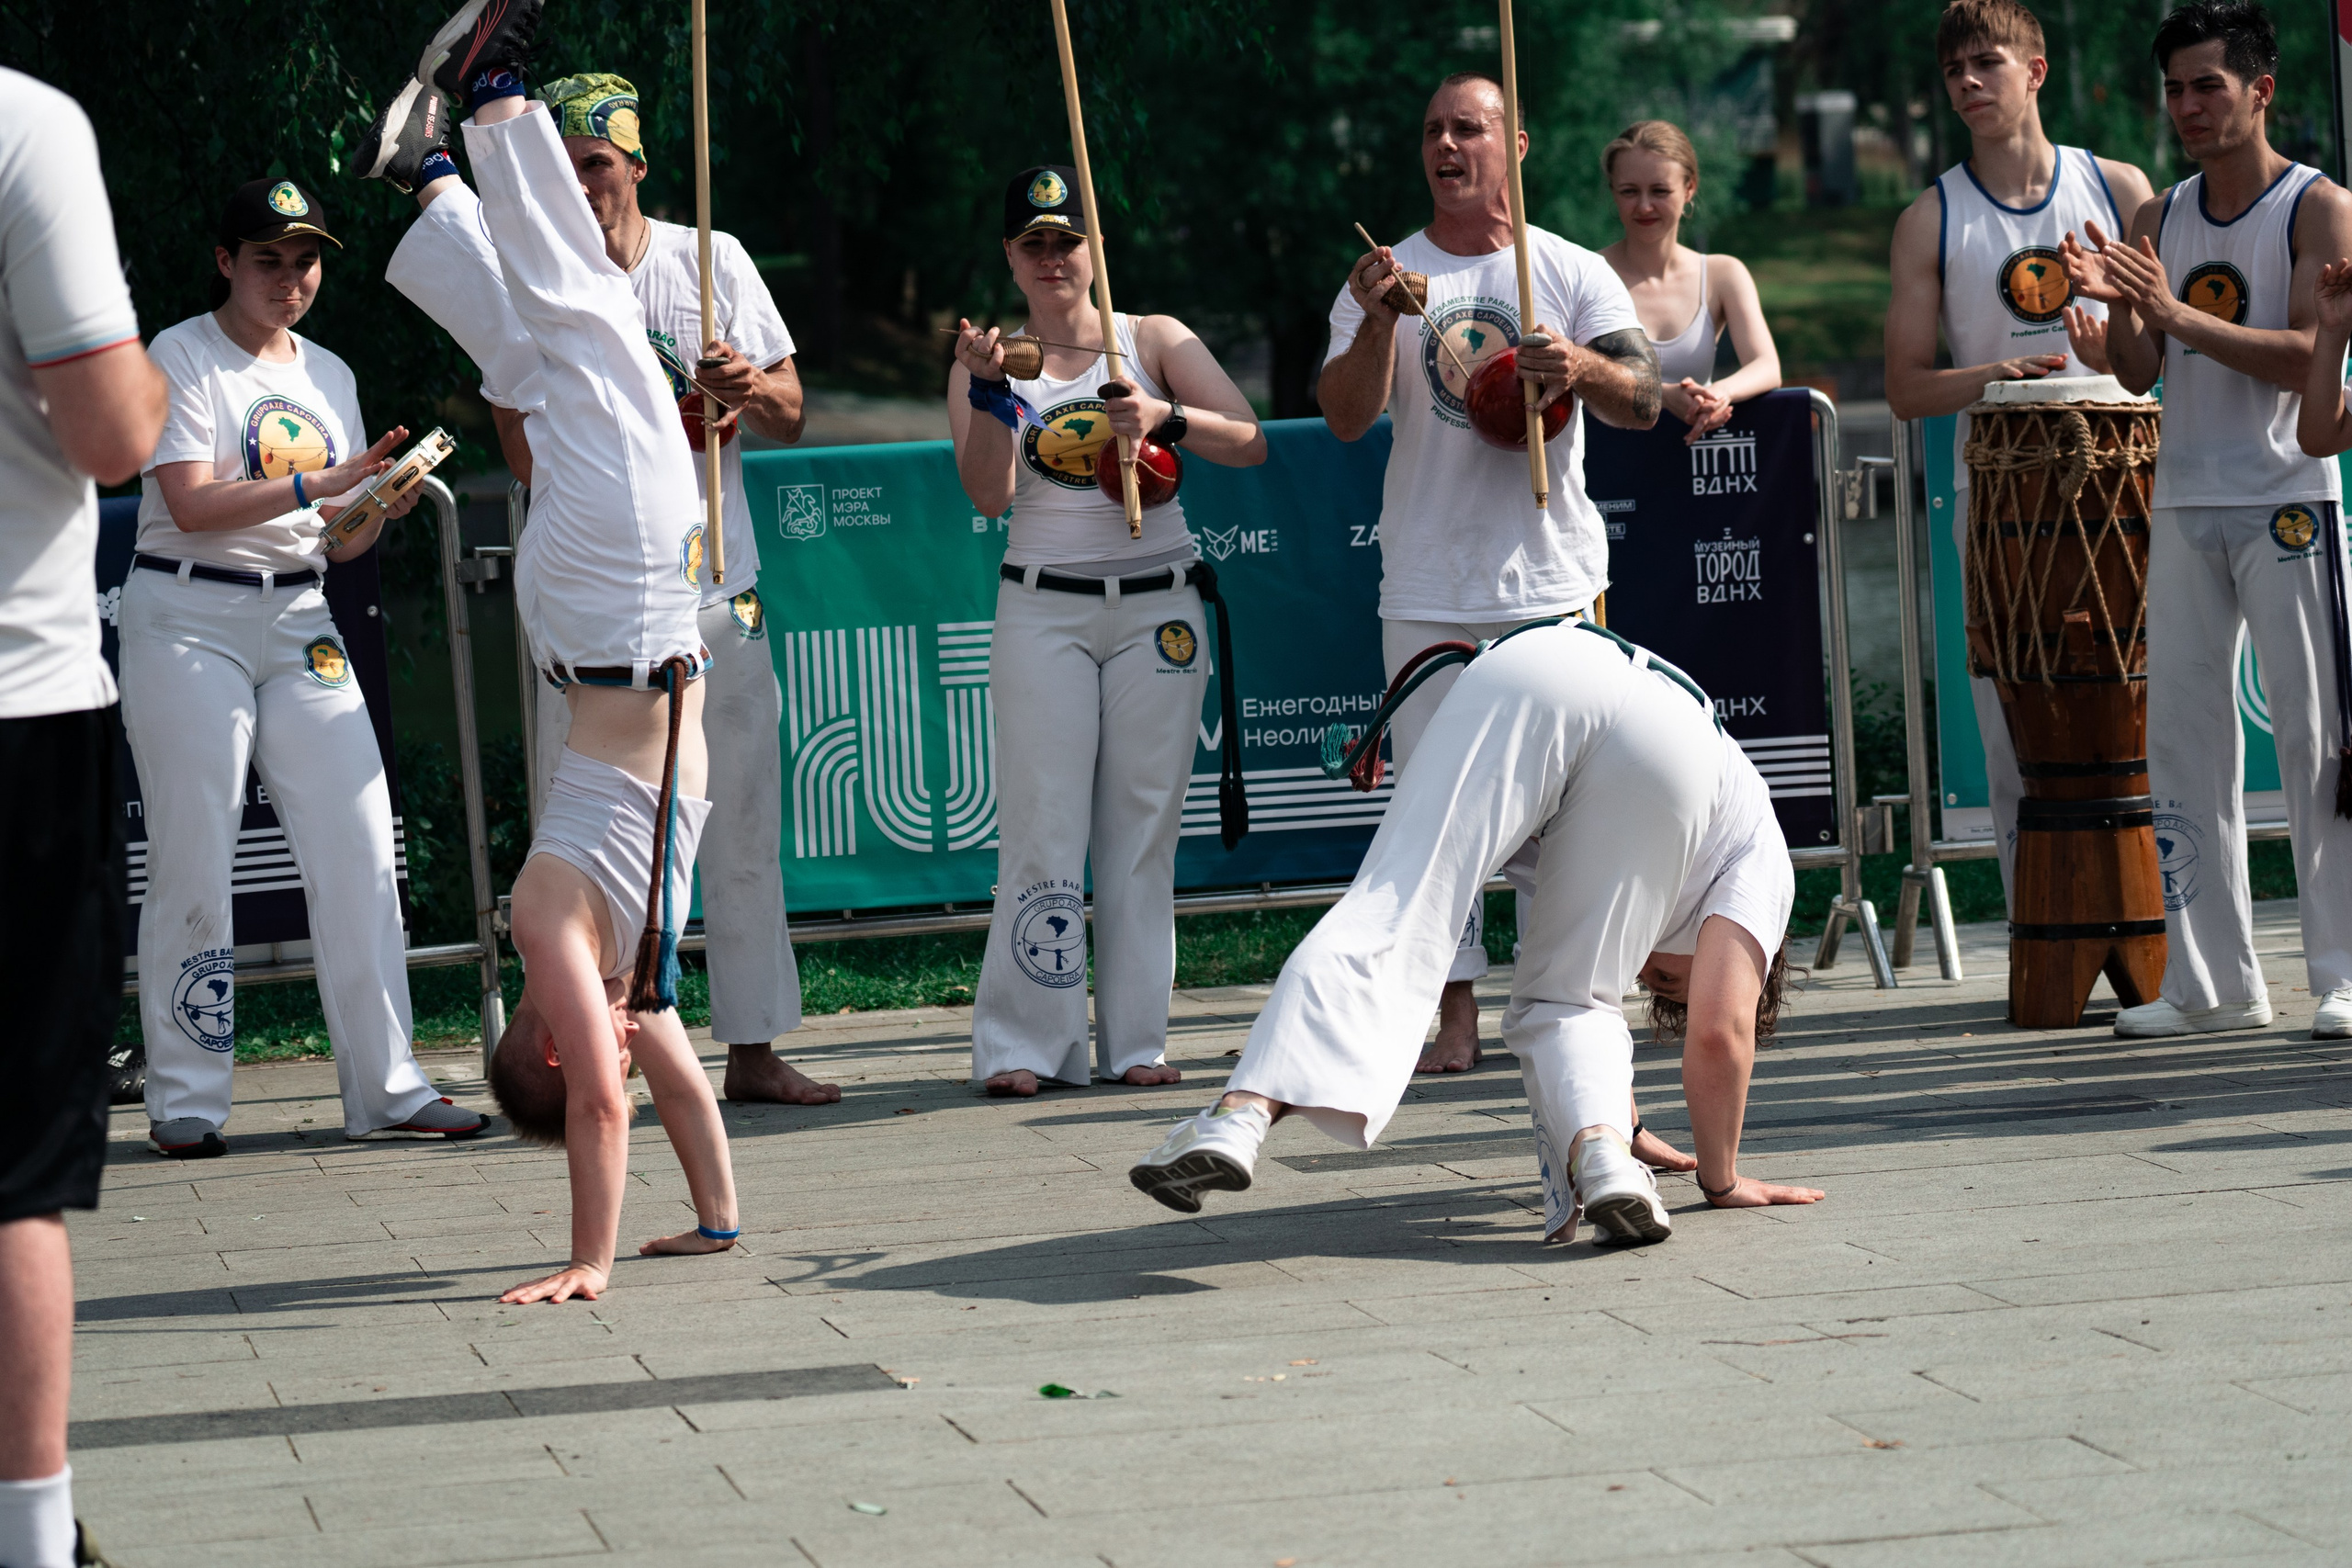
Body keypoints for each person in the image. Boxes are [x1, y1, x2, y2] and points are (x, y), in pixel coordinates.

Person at [358, 0, 745, 1300]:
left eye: (596, 1051)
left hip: (617, 616)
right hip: (620, 624)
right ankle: (428, 180)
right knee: (546, 352)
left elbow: (608, 1111)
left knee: (590, 325)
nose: (626, 1055)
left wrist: (589, 1258)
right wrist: (717, 1221)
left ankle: (499, 95)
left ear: (560, 1046)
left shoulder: (548, 926)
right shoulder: (635, 986)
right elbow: (671, 1087)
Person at [1127, 621, 1823, 1239]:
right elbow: (1719, 1029)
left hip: (1538, 670)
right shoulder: (1762, 858)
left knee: (1397, 910)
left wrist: (1628, 1121)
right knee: (1570, 996)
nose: (1648, 968)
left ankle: (1241, 1113)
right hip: (1664, 739)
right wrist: (1721, 1179)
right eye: (1670, 975)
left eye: (1657, 981)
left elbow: (1602, 998)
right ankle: (1601, 1151)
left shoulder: (1686, 864)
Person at [480, 72, 838, 1109]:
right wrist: (638, 440)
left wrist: (740, 393)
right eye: (564, 170)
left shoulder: (710, 259)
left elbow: (792, 411)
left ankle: (755, 1044)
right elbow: (520, 445)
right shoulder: (532, 275)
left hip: (718, 591)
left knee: (739, 823)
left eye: (596, 165)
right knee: (590, 846)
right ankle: (596, 1044)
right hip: (600, 610)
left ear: (636, 165)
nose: (583, 188)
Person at [123, 177, 486, 1157]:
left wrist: (377, 506)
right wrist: (323, 482)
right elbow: (192, 504)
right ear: (225, 263)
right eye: (268, 260)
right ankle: (187, 1100)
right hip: (186, 613)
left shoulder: (328, 370)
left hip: (298, 615)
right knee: (196, 856)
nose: (290, 280)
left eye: (306, 260)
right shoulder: (180, 353)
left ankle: (391, 1090)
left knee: (362, 845)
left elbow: (337, 543)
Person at [1319, 71, 1661, 1077]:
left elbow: (1642, 395)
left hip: (1551, 584)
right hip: (1427, 584)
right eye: (1433, 130)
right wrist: (1379, 320)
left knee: (1568, 807)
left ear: (1514, 145)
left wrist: (1581, 372)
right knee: (1432, 814)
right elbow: (1343, 416)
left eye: (1469, 128)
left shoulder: (1564, 269)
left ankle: (1566, 1005)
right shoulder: (1383, 276)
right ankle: (1453, 1018)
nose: (1447, 145)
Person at [2063, 1, 2352, 1040]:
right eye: (2174, 89)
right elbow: (2147, 373)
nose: (2186, 107)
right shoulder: (2156, 218)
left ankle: (2341, 970)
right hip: (2182, 497)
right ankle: (2213, 984)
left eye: (2207, 87)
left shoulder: (2318, 210)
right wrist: (2109, 333)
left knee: (2316, 744)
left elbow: (2309, 361)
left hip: (2289, 503)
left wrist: (2178, 314)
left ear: (2260, 90)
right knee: (2182, 744)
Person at [945, 165, 1267, 1097]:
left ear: (1093, 251)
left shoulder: (1150, 338)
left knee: (1140, 828)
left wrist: (1165, 413)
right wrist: (979, 392)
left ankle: (1137, 1042)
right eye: (1033, 243)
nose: (1052, 257)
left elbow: (1247, 438)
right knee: (1043, 826)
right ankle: (1023, 1044)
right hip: (1042, 604)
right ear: (1009, 257)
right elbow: (987, 493)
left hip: (1158, 603)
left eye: (1066, 240)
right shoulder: (991, 358)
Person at [0, 65, 167, 1568]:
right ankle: (31, 1535)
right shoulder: (24, 126)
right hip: (15, 698)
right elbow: (116, 433)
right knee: (13, 1175)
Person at [1886, 0, 2155, 900]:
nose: (1966, 83)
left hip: (2127, 489)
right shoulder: (1931, 217)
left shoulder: (2118, 188)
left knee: (2144, 709)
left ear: (2034, 71)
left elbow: (2161, 349)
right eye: (1953, 70)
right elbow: (1905, 388)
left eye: (1985, 64)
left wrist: (2107, 347)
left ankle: (2163, 931)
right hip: (2002, 500)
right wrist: (1996, 373)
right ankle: (2042, 930)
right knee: (2015, 724)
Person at [1597, 119, 1782, 445]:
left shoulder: (1723, 273)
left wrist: (1719, 394)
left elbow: (1767, 366)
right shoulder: (1587, 272)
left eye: (1660, 191)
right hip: (1605, 470)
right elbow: (1568, 376)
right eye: (1629, 191)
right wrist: (1659, 395)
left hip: (1694, 463)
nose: (1644, 206)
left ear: (1689, 189)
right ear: (1613, 191)